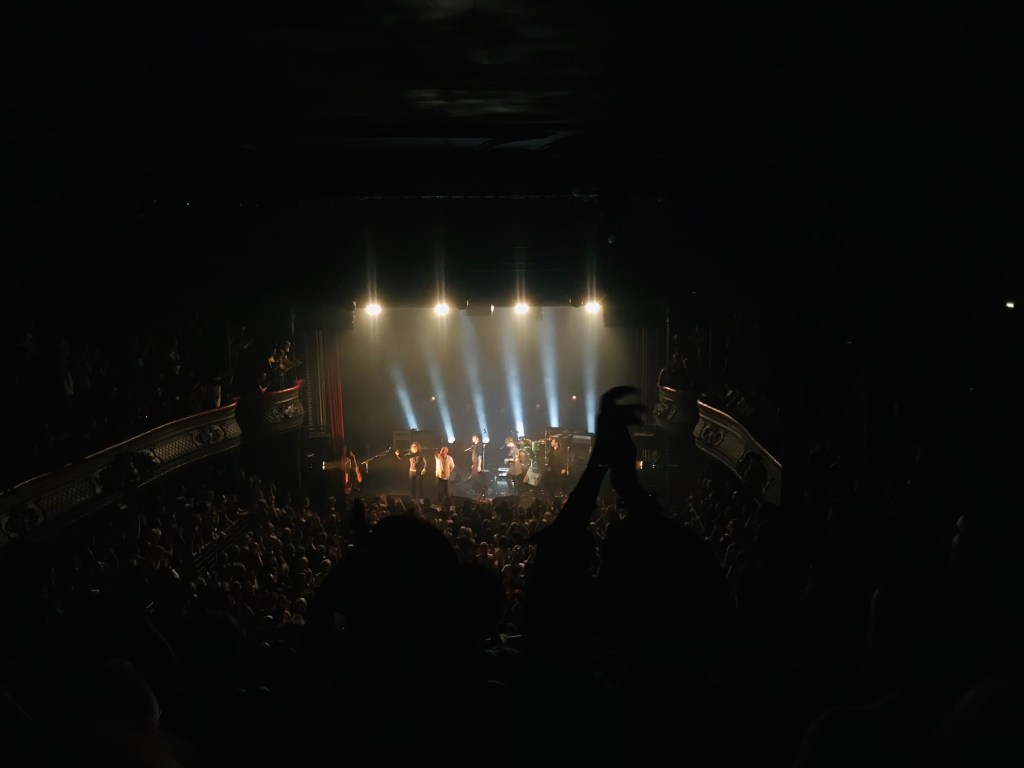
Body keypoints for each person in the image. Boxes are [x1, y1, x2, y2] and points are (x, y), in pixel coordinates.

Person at [468, 433, 488, 499]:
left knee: (478, 478)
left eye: (473, 437)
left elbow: (480, 455)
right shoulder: (475, 445)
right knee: (475, 477)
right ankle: (478, 492)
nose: (472, 438)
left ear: (477, 438)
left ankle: (483, 491)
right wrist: (473, 464)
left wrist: (479, 465)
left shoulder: (479, 445)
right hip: (475, 463)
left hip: (477, 463)